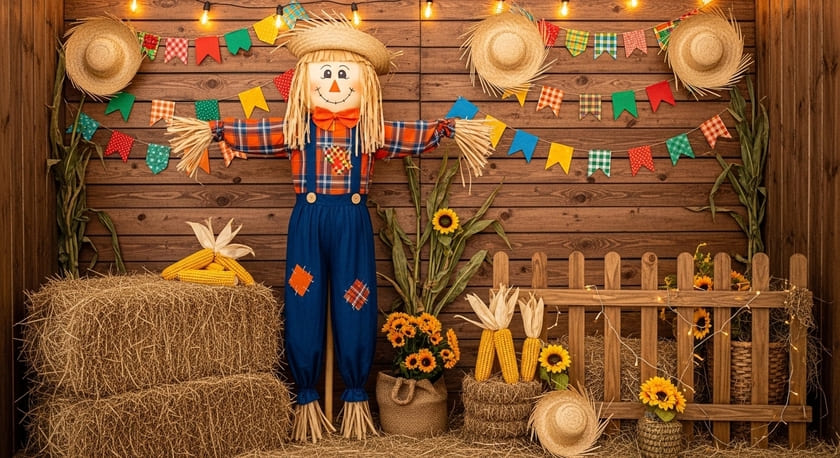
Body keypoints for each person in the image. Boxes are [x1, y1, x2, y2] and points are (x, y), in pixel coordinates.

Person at [167, 13, 490, 443]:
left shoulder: (369, 132)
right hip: (309, 219)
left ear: (365, 85)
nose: (334, 83)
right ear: (305, 80)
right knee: (304, 297)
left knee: (356, 299)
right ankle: (308, 398)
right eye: (326, 74)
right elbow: (252, 132)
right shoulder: (294, 130)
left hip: (352, 221)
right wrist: (214, 131)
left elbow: (409, 134)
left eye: (343, 75)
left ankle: (354, 394)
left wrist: (448, 129)